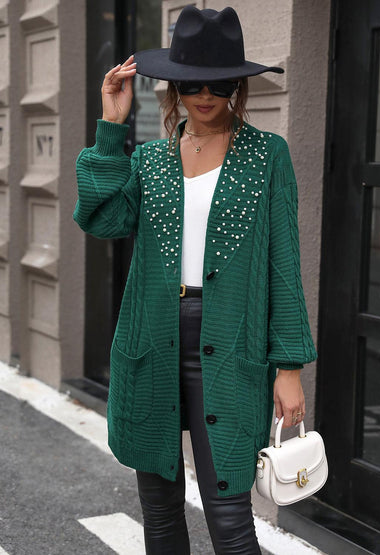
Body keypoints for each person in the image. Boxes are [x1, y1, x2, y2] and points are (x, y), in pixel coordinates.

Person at [74, 5, 317, 554]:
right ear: (173, 87)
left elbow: (284, 263)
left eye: (220, 83)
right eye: (191, 84)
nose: (206, 96)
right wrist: (111, 128)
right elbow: (102, 219)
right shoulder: (150, 160)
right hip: (152, 341)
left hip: (231, 344)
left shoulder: (267, 156)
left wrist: (289, 366)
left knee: (229, 515)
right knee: (159, 512)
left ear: (238, 85)